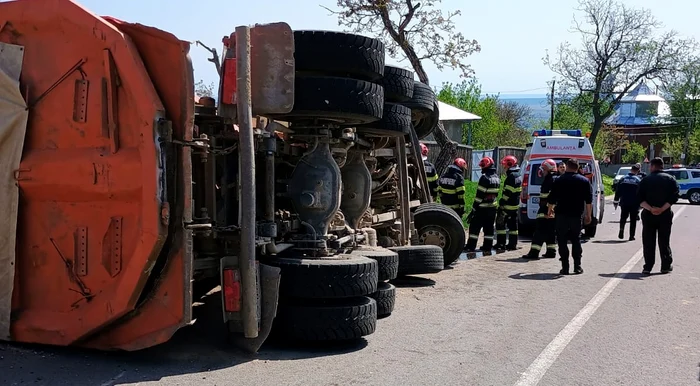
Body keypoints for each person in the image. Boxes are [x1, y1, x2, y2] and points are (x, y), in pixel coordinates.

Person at [547, 158, 593, 275]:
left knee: (562, 240)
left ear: (567, 166)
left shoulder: (559, 180)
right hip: (576, 215)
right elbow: (588, 201)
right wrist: (588, 215)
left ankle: (565, 267)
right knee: (576, 239)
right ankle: (577, 266)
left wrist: (549, 210)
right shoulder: (584, 181)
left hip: (561, 214)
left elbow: (552, 198)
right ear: (577, 167)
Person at [636, 157, 679, 275]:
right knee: (664, 240)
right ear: (662, 166)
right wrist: (661, 209)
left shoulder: (645, 180)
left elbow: (639, 198)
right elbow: (674, 197)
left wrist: (651, 209)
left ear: (653, 166)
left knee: (648, 241)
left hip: (649, 214)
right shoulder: (671, 179)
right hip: (665, 214)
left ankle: (647, 267)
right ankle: (665, 265)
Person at [522, 159, 558, 260]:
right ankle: (551, 251)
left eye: (543, 169)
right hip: (554, 212)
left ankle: (534, 253)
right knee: (551, 232)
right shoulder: (557, 179)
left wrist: (545, 210)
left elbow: (547, 198)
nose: (542, 171)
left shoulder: (548, 180)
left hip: (545, 211)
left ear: (548, 169)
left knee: (539, 232)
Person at [465, 156, 501, 252]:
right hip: (492, 208)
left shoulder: (484, 178)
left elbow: (479, 196)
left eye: (482, 166)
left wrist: (473, 209)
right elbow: (496, 194)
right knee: (489, 228)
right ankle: (487, 247)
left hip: (482, 208)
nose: (481, 168)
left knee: (474, 228)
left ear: (486, 166)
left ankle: (471, 246)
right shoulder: (497, 178)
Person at [495, 155, 522, 251]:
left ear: (509, 165)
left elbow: (508, 192)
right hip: (515, 205)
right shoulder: (518, 175)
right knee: (513, 227)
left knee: (500, 224)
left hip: (507, 206)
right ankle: (512, 244)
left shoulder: (511, 176)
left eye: (505, 165)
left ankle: (501, 243)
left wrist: (502, 202)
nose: (504, 167)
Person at [613, 163, 642, 240]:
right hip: (634, 203)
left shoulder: (623, 179)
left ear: (630, 170)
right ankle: (631, 236)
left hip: (624, 202)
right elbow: (641, 192)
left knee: (623, 217)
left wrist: (616, 201)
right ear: (638, 171)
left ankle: (621, 229)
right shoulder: (638, 180)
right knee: (633, 220)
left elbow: (618, 191)